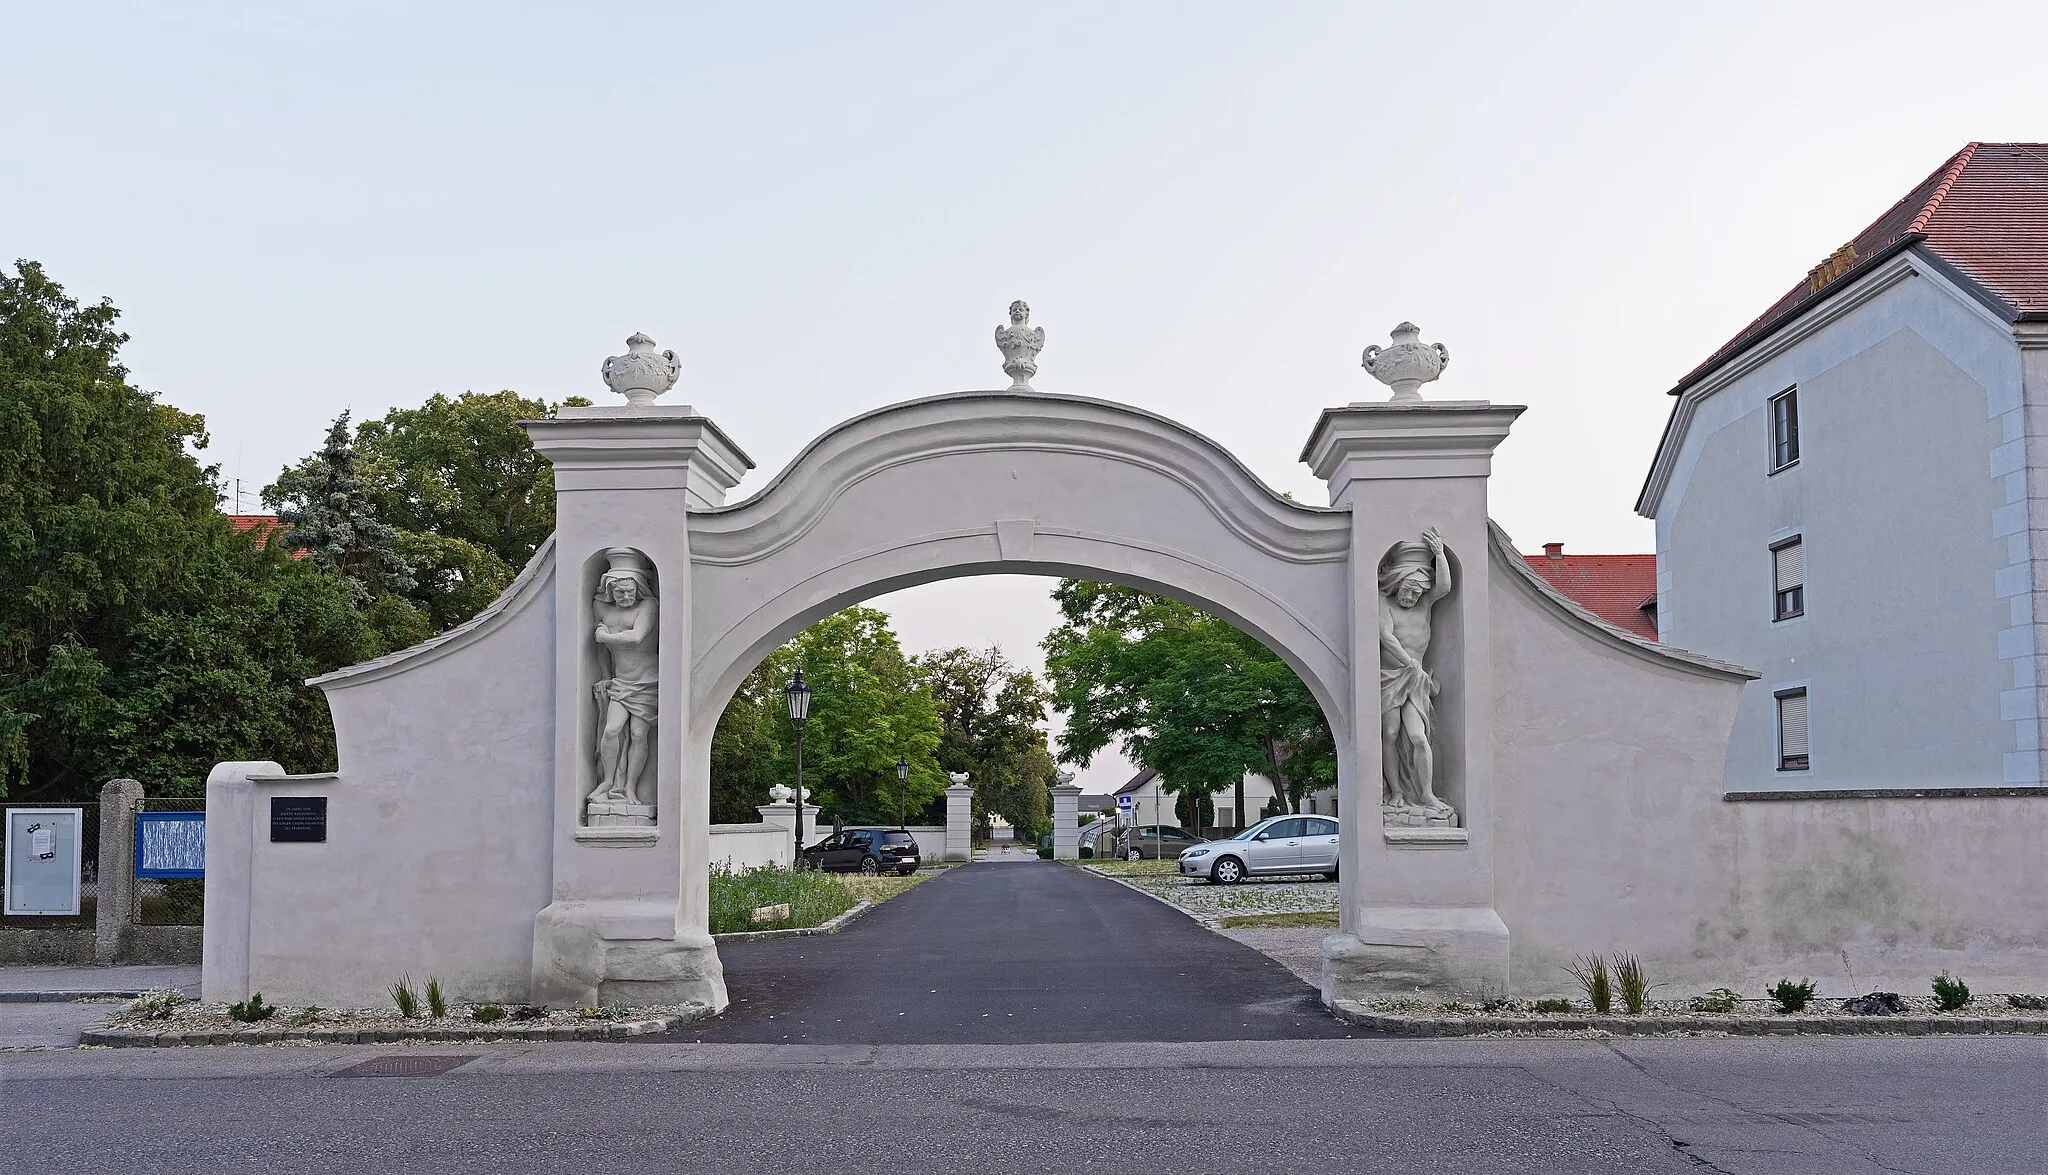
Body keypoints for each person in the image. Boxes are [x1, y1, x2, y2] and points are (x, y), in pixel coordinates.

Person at [1378, 527, 1453, 815]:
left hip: (1416, 681)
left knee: (1419, 736)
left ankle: (1427, 794)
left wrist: (1439, 554)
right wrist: (1408, 663)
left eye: (1417, 592)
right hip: (1390, 676)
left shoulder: (1424, 606)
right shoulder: (1385, 604)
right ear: (1397, 584)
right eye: (1408, 590)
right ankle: (1396, 789)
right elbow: (1385, 636)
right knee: (1390, 732)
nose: (1411, 596)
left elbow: (1444, 587)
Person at [592, 552, 658, 808]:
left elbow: (636, 637)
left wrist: (603, 636)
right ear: (610, 591)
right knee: (611, 731)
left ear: (637, 588)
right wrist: (606, 676)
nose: (626, 597)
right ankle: (608, 782)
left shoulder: (648, 607)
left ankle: (630, 787)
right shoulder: (602, 610)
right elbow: (601, 651)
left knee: (638, 734)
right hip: (621, 683)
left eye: (630, 592)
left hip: (647, 680)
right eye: (620, 593)